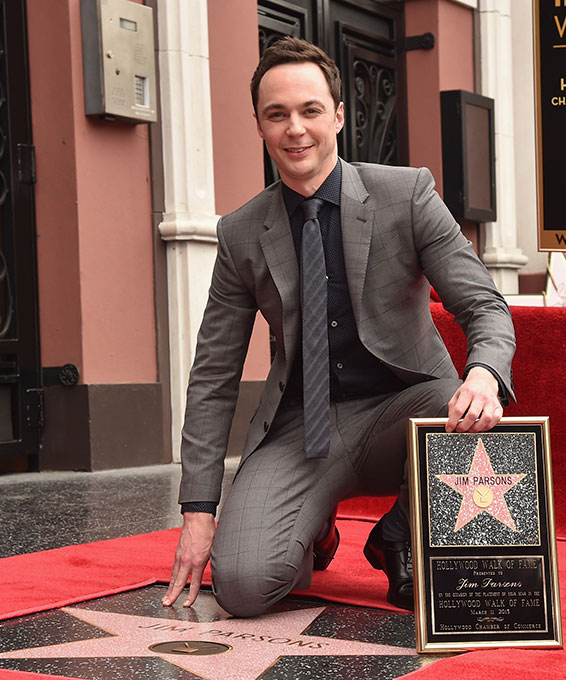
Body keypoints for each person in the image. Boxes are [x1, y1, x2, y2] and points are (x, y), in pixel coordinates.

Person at [161, 37, 516, 616]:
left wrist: (482, 374)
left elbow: (485, 306)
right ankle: (315, 528)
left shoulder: (408, 194)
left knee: (474, 409)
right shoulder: (240, 233)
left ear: (338, 115)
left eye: (310, 110)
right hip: (304, 429)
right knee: (245, 588)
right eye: (277, 115)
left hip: (408, 411)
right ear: (259, 124)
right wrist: (199, 512)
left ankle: (400, 532)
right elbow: (213, 376)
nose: (295, 129)